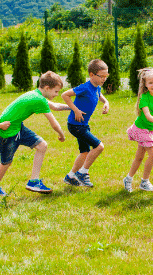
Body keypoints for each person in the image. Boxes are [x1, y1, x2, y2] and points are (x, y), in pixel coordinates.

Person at [0, 71, 69, 197]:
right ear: (47, 88)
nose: (57, 94)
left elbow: (55, 106)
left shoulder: (35, 94)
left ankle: (34, 181)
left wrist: (72, 107)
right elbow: (54, 124)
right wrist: (62, 135)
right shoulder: (38, 99)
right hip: (7, 132)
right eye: (56, 91)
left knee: (42, 145)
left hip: (17, 127)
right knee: (6, 162)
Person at [61, 59, 110, 187]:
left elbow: (99, 94)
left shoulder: (96, 87)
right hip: (76, 125)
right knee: (99, 146)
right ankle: (83, 173)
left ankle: (71, 176)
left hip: (82, 125)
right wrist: (75, 110)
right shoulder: (85, 87)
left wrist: (106, 102)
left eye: (106, 76)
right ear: (92, 75)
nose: (104, 79)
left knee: (84, 152)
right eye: (102, 76)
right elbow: (65, 95)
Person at [123, 68, 153, 192]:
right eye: (151, 83)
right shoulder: (144, 97)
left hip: (150, 129)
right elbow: (147, 115)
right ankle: (145, 182)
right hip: (141, 129)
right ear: (146, 85)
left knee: (139, 157)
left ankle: (128, 179)